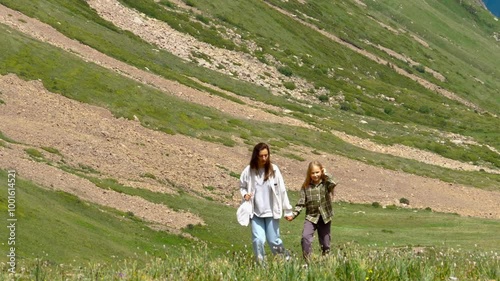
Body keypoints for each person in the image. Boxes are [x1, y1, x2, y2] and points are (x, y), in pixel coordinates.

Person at [239, 142, 293, 262]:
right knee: (258, 240)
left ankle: (287, 262)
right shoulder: (249, 171)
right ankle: (261, 268)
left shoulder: (274, 170)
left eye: (266, 155)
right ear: (256, 156)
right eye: (261, 156)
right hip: (256, 212)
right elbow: (242, 186)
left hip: (271, 212)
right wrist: (245, 195)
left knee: (274, 240)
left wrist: (288, 210)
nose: (264, 158)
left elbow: (282, 190)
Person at [286, 161, 337, 262]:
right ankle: (308, 262)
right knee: (305, 238)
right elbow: (301, 203)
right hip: (311, 218)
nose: (315, 175)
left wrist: (325, 173)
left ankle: (326, 262)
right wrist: (293, 215)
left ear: (321, 171)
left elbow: (334, 182)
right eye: (312, 173)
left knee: (325, 244)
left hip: (325, 218)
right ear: (309, 174)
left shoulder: (326, 184)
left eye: (317, 172)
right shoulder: (306, 187)